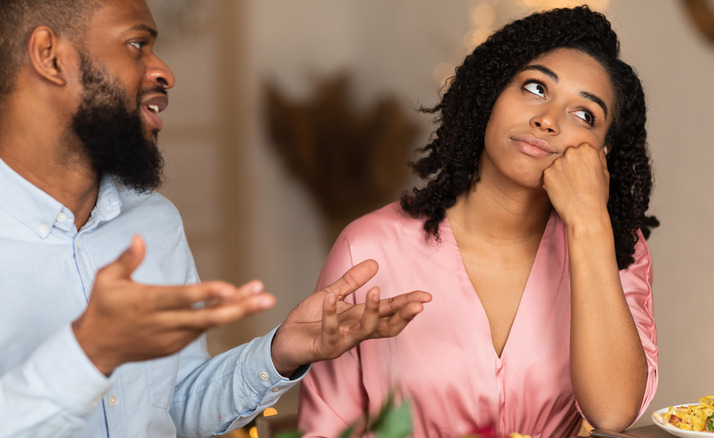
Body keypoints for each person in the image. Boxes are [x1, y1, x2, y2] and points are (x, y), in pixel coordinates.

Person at [0, 0, 432, 437]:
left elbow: (175, 407)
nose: (164, 72)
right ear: (50, 56)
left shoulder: (153, 222)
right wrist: (88, 353)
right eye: (136, 44)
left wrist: (279, 353)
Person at [299, 6, 659, 437]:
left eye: (585, 115)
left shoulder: (616, 247)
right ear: (490, 94)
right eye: (535, 87)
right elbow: (324, 428)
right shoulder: (369, 248)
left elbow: (613, 412)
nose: (548, 120)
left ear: (603, 153)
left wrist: (589, 226)